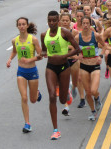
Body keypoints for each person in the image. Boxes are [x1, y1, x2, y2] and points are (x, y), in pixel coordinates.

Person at [40, 11, 80, 140]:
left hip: (64, 67)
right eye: (49, 20)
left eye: (54, 20)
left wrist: (65, 56)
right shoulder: (43, 35)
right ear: (47, 21)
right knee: (52, 96)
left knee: (62, 100)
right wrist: (42, 54)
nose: (51, 23)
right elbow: (44, 50)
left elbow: (77, 49)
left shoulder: (64, 33)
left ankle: (66, 94)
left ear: (58, 21)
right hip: (50, 67)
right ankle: (56, 130)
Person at [6, 17, 42, 133]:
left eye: (23, 24)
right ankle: (27, 124)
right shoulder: (15, 40)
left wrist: (30, 59)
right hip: (21, 72)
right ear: (17, 26)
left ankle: (36, 93)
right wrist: (10, 59)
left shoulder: (33, 39)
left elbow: (41, 55)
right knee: (24, 97)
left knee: (32, 100)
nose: (21, 26)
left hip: (32, 72)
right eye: (19, 24)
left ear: (27, 26)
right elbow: (15, 51)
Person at [76, 16, 105, 120]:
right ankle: (93, 111)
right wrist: (77, 55)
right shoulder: (77, 37)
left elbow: (104, 46)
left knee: (93, 90)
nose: (85, 25)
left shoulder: (96, 35)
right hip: (83, 66)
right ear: (81, 24)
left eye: (87, 23)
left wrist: (100, 56)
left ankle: (97, 98)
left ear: (90, 24)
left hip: (95, 65)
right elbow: (72, 48)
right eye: (83, 23)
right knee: (87, 92)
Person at [59, 13, 80, 116]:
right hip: (63, 61)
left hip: (74, 60)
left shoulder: (74, 32)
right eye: (63, 20)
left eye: (67, 20)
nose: (65, 22)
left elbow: (76, 47)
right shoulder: (57, 33)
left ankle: (74, 86)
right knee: (64, 84)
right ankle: (66, 107)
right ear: (60, 21)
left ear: (70, 21)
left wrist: (68, 49)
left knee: (75, 82)